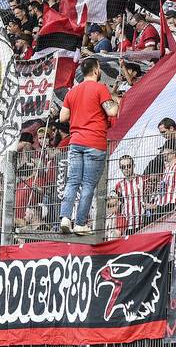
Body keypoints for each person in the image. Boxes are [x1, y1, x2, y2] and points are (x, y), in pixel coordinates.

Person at [58, 58, 120, 235]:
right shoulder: (100, 88)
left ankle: (65, 218)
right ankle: (80, 223)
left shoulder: (72, 92)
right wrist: (115, 99)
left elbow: (63, 117)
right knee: (87, 185)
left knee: (72, 182)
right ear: (96, 70)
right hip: (94, 142)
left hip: (75, 142)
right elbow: (112, 111)